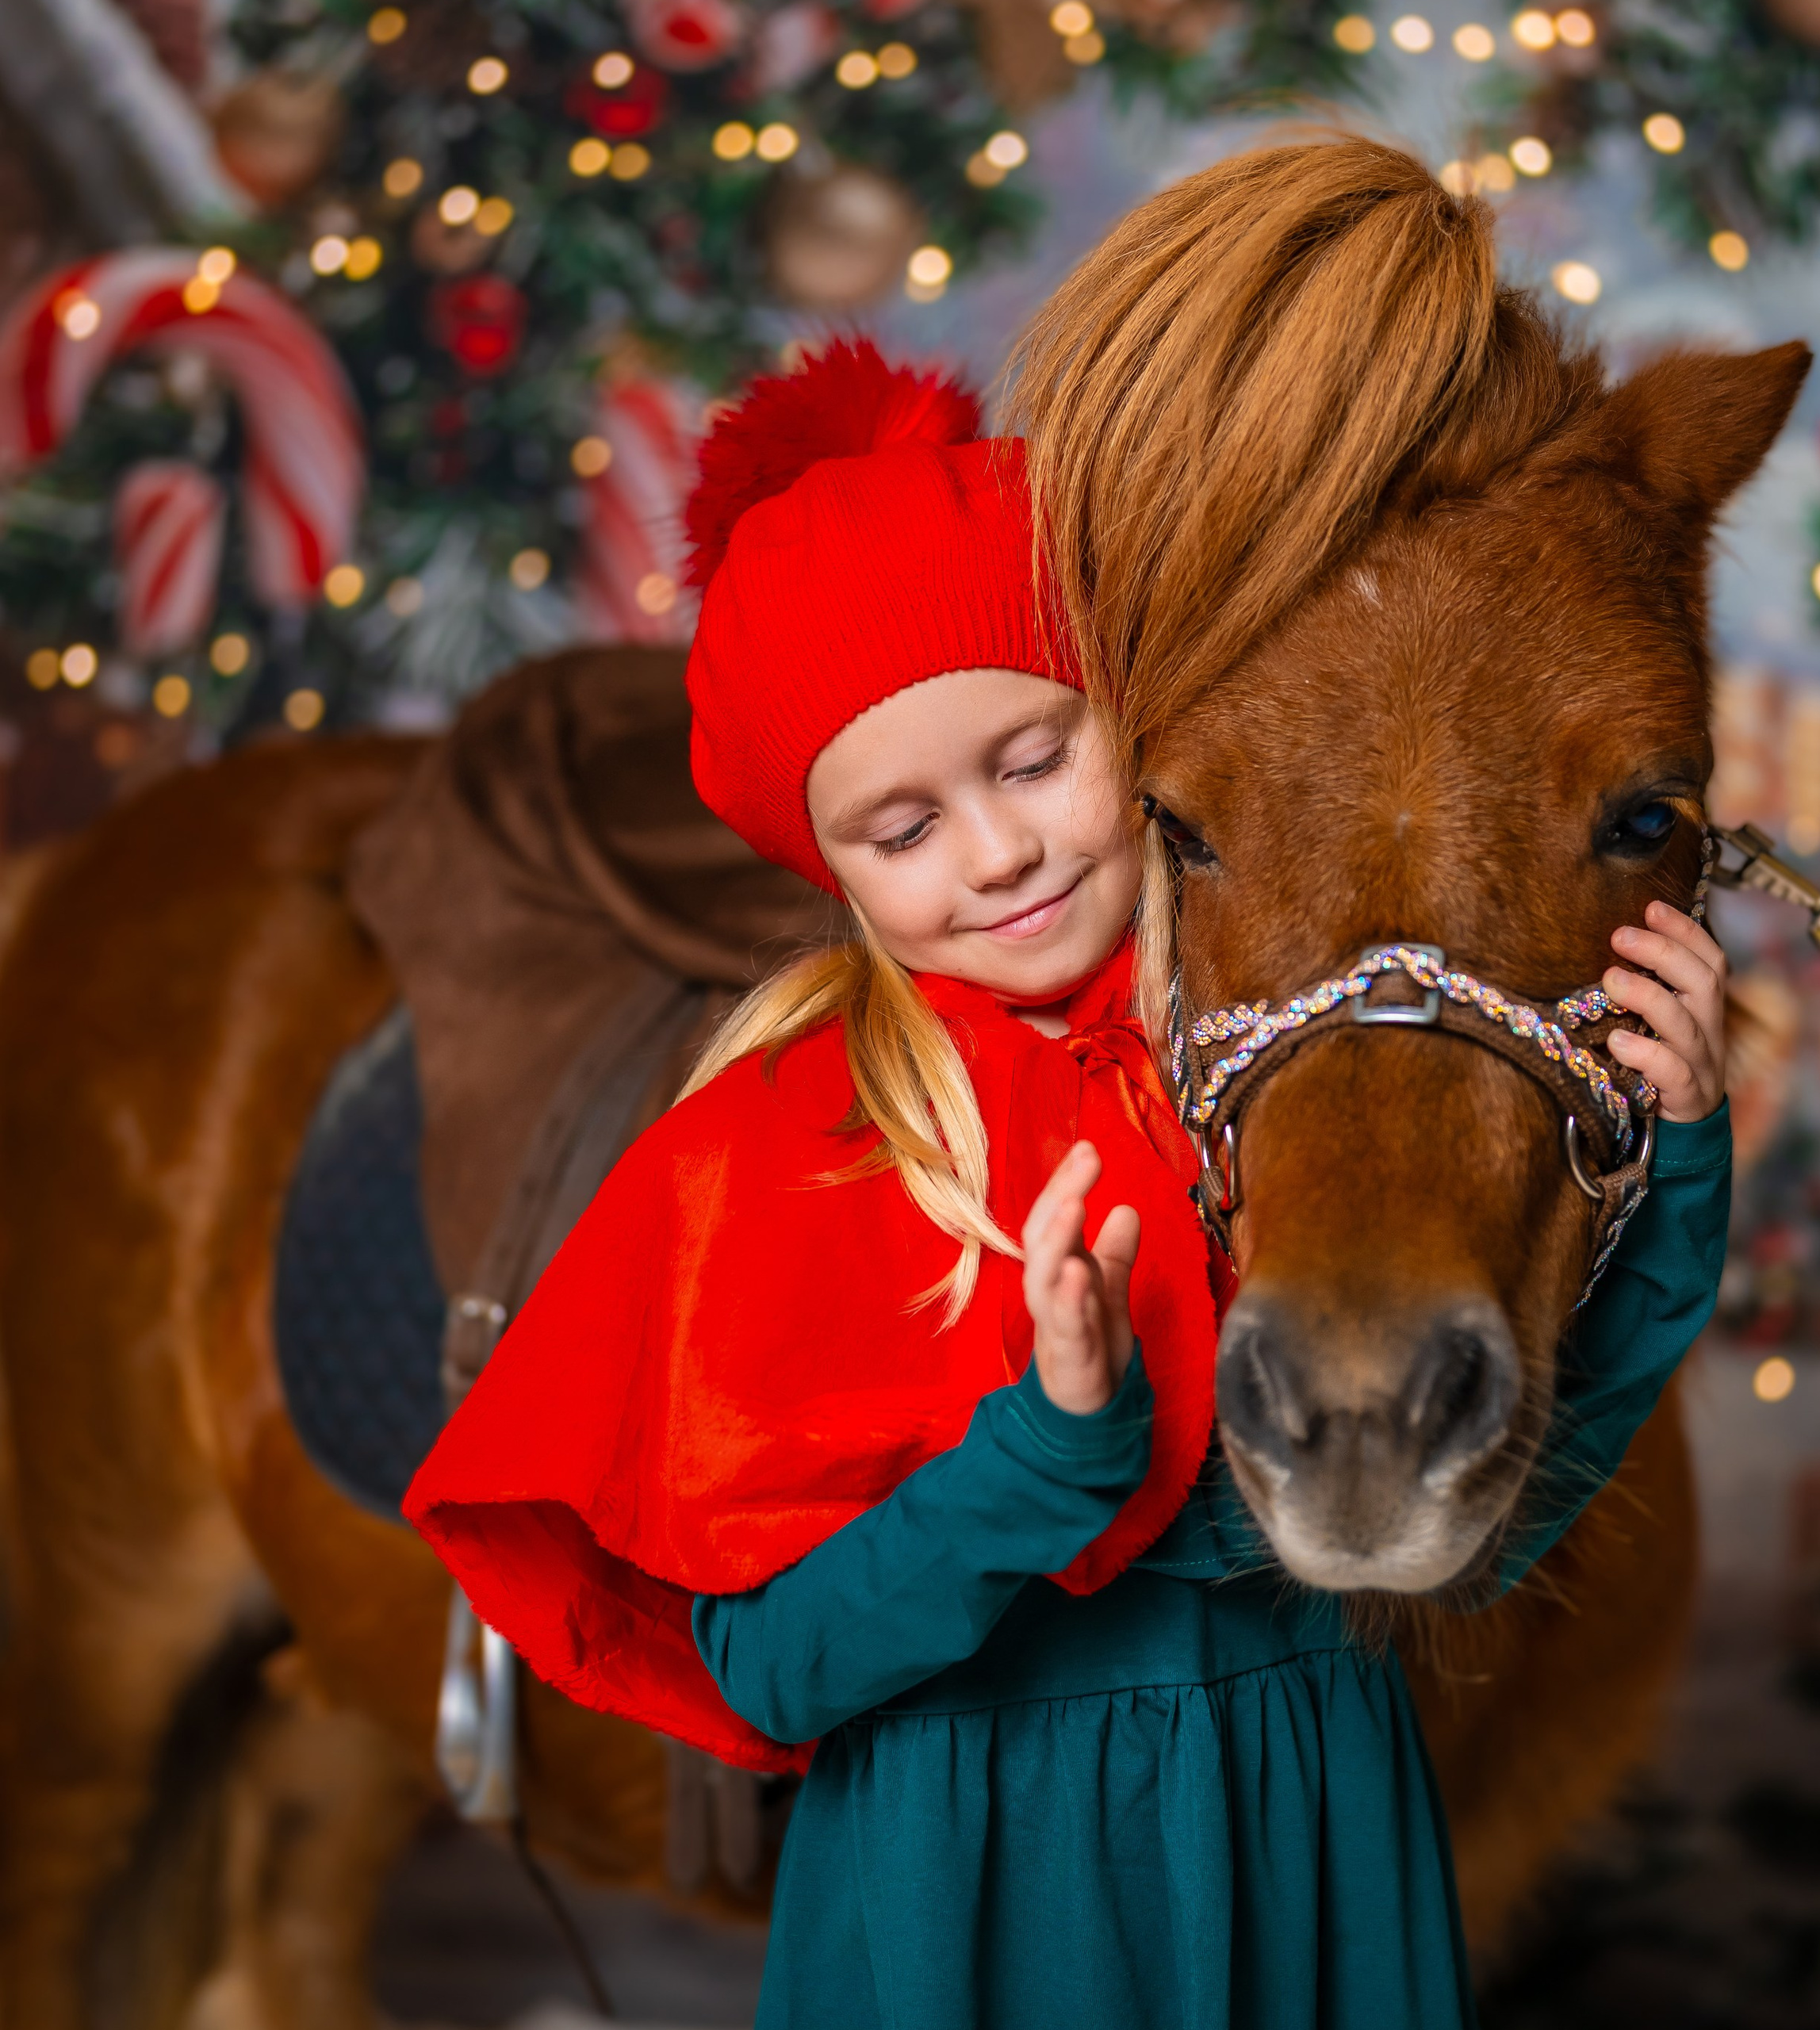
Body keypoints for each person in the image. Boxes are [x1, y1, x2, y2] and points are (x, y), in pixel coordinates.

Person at [405, 335, 1732, 2028]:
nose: (1000, 848)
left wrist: (1671, 1155)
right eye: (902, 825)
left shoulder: (1271, 1078)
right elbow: (772, 1668)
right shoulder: (796, 1145)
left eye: (1032, 758)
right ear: (833, 866)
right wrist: (1044, 1450)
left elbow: (1496, 1521)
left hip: (1310, 1835)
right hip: (973, 1874)